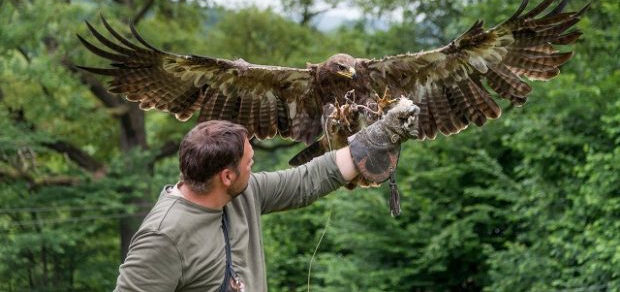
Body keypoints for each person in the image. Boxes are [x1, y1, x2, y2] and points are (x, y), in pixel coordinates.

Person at [114, 98, 420, 292]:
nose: (254, 167)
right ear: (227, 176)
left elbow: (306, 180)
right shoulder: (162, 237)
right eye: (250, 163)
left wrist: (379, 135)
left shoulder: (244, 193)